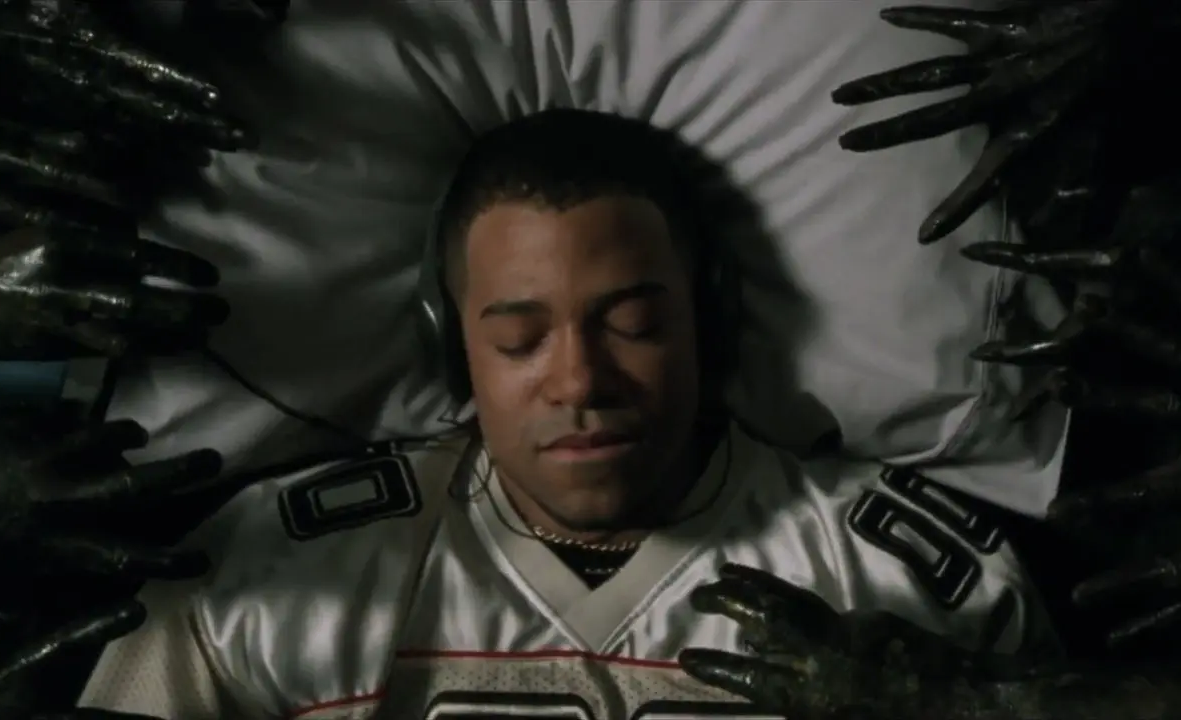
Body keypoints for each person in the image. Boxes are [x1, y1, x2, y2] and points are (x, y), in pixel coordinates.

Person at [77, 109, 1055, 720]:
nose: (579, 381)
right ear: (450, 347)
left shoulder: (901, 580)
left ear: (708, 320)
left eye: (632, 325)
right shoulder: (270, 578)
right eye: (519, 340)